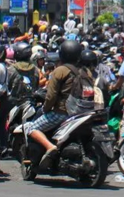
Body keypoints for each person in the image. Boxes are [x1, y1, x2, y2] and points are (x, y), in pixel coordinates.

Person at [22, 40, 80, 169]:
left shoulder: (59, 71)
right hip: (78, 113)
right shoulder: (80, 71)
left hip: (61, 112)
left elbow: (51, 95)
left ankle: (50, 147)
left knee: (30, 128)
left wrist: (45, 109)